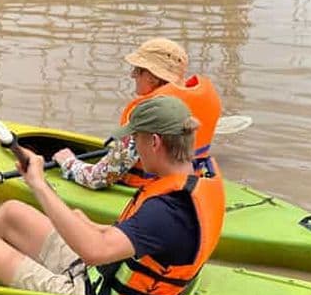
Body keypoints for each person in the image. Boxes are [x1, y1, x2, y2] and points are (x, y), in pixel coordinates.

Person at [0, 96, 225, 295]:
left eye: (135, 140)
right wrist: (94, 226)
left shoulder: (168, 211)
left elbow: (95, 252)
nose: (133, 147)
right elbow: (146, 241)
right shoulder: (201, 174)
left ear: (155, 142)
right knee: (12, 213)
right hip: (100, 272)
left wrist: (39, 185)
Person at [53, 37, 222, 189]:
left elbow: (99, 178)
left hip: (154, 191)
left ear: (153, 77)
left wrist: (69, 163)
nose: (132, 75)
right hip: (192, 183)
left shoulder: (147, 114)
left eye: (138, 69)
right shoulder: (204, 100)